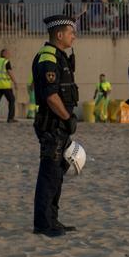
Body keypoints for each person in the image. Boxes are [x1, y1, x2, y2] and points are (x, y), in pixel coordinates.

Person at [32, 14, 80, 237]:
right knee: (49, 173)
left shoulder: (59, 56)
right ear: (59, 35)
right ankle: (43, 223)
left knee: (58, 173)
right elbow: (51, 96)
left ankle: (53, 219)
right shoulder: (48, 58)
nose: (74, 36)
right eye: (71, 33)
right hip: (52, 124)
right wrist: (67, 118)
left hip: (59, 125)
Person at [0, 48, 18, 123]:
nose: (9, 55)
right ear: (4, 54)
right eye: (8, 53)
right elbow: (9, 72)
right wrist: (15, 82)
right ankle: (10, 118)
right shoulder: (6, 62)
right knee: (11, 100)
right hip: (5, 85)